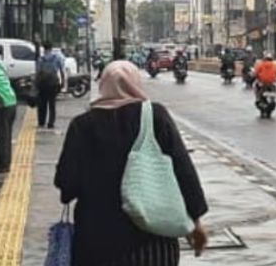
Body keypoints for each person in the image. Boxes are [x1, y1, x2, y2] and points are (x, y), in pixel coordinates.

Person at [55, 61, 208, 266]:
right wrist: (195, 220)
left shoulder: (82, 125)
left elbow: (67, 183)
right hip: (152, 238)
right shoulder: (155, 116)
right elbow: (183, 171)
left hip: (97, 240)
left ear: (103, 85)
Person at [36, 43, 66, 129]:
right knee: (52, 104)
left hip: (43, 84)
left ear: (44, 49)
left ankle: (41, 122)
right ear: (51, 48)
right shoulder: (57, 58)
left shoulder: (41, 59)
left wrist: (36, 84)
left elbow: (38, 73)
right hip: (53, 83)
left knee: (43, 104)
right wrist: (63, 82)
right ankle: (51, 123)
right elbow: (62, 71)